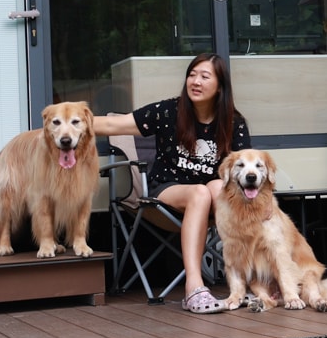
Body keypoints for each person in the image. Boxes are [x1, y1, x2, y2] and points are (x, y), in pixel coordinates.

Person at [94, 52, 251, 314]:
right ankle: (194, 287)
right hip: (166, 192)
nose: (196, 81)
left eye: (204, 76)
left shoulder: (234, 123)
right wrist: (66, 124)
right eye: (192, 75)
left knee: (215, 186)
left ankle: (249, 280)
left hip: (214, 203)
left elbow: (245, 168)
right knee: (201, 192)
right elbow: (113, 123)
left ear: (220, 86)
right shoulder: (168, 111)